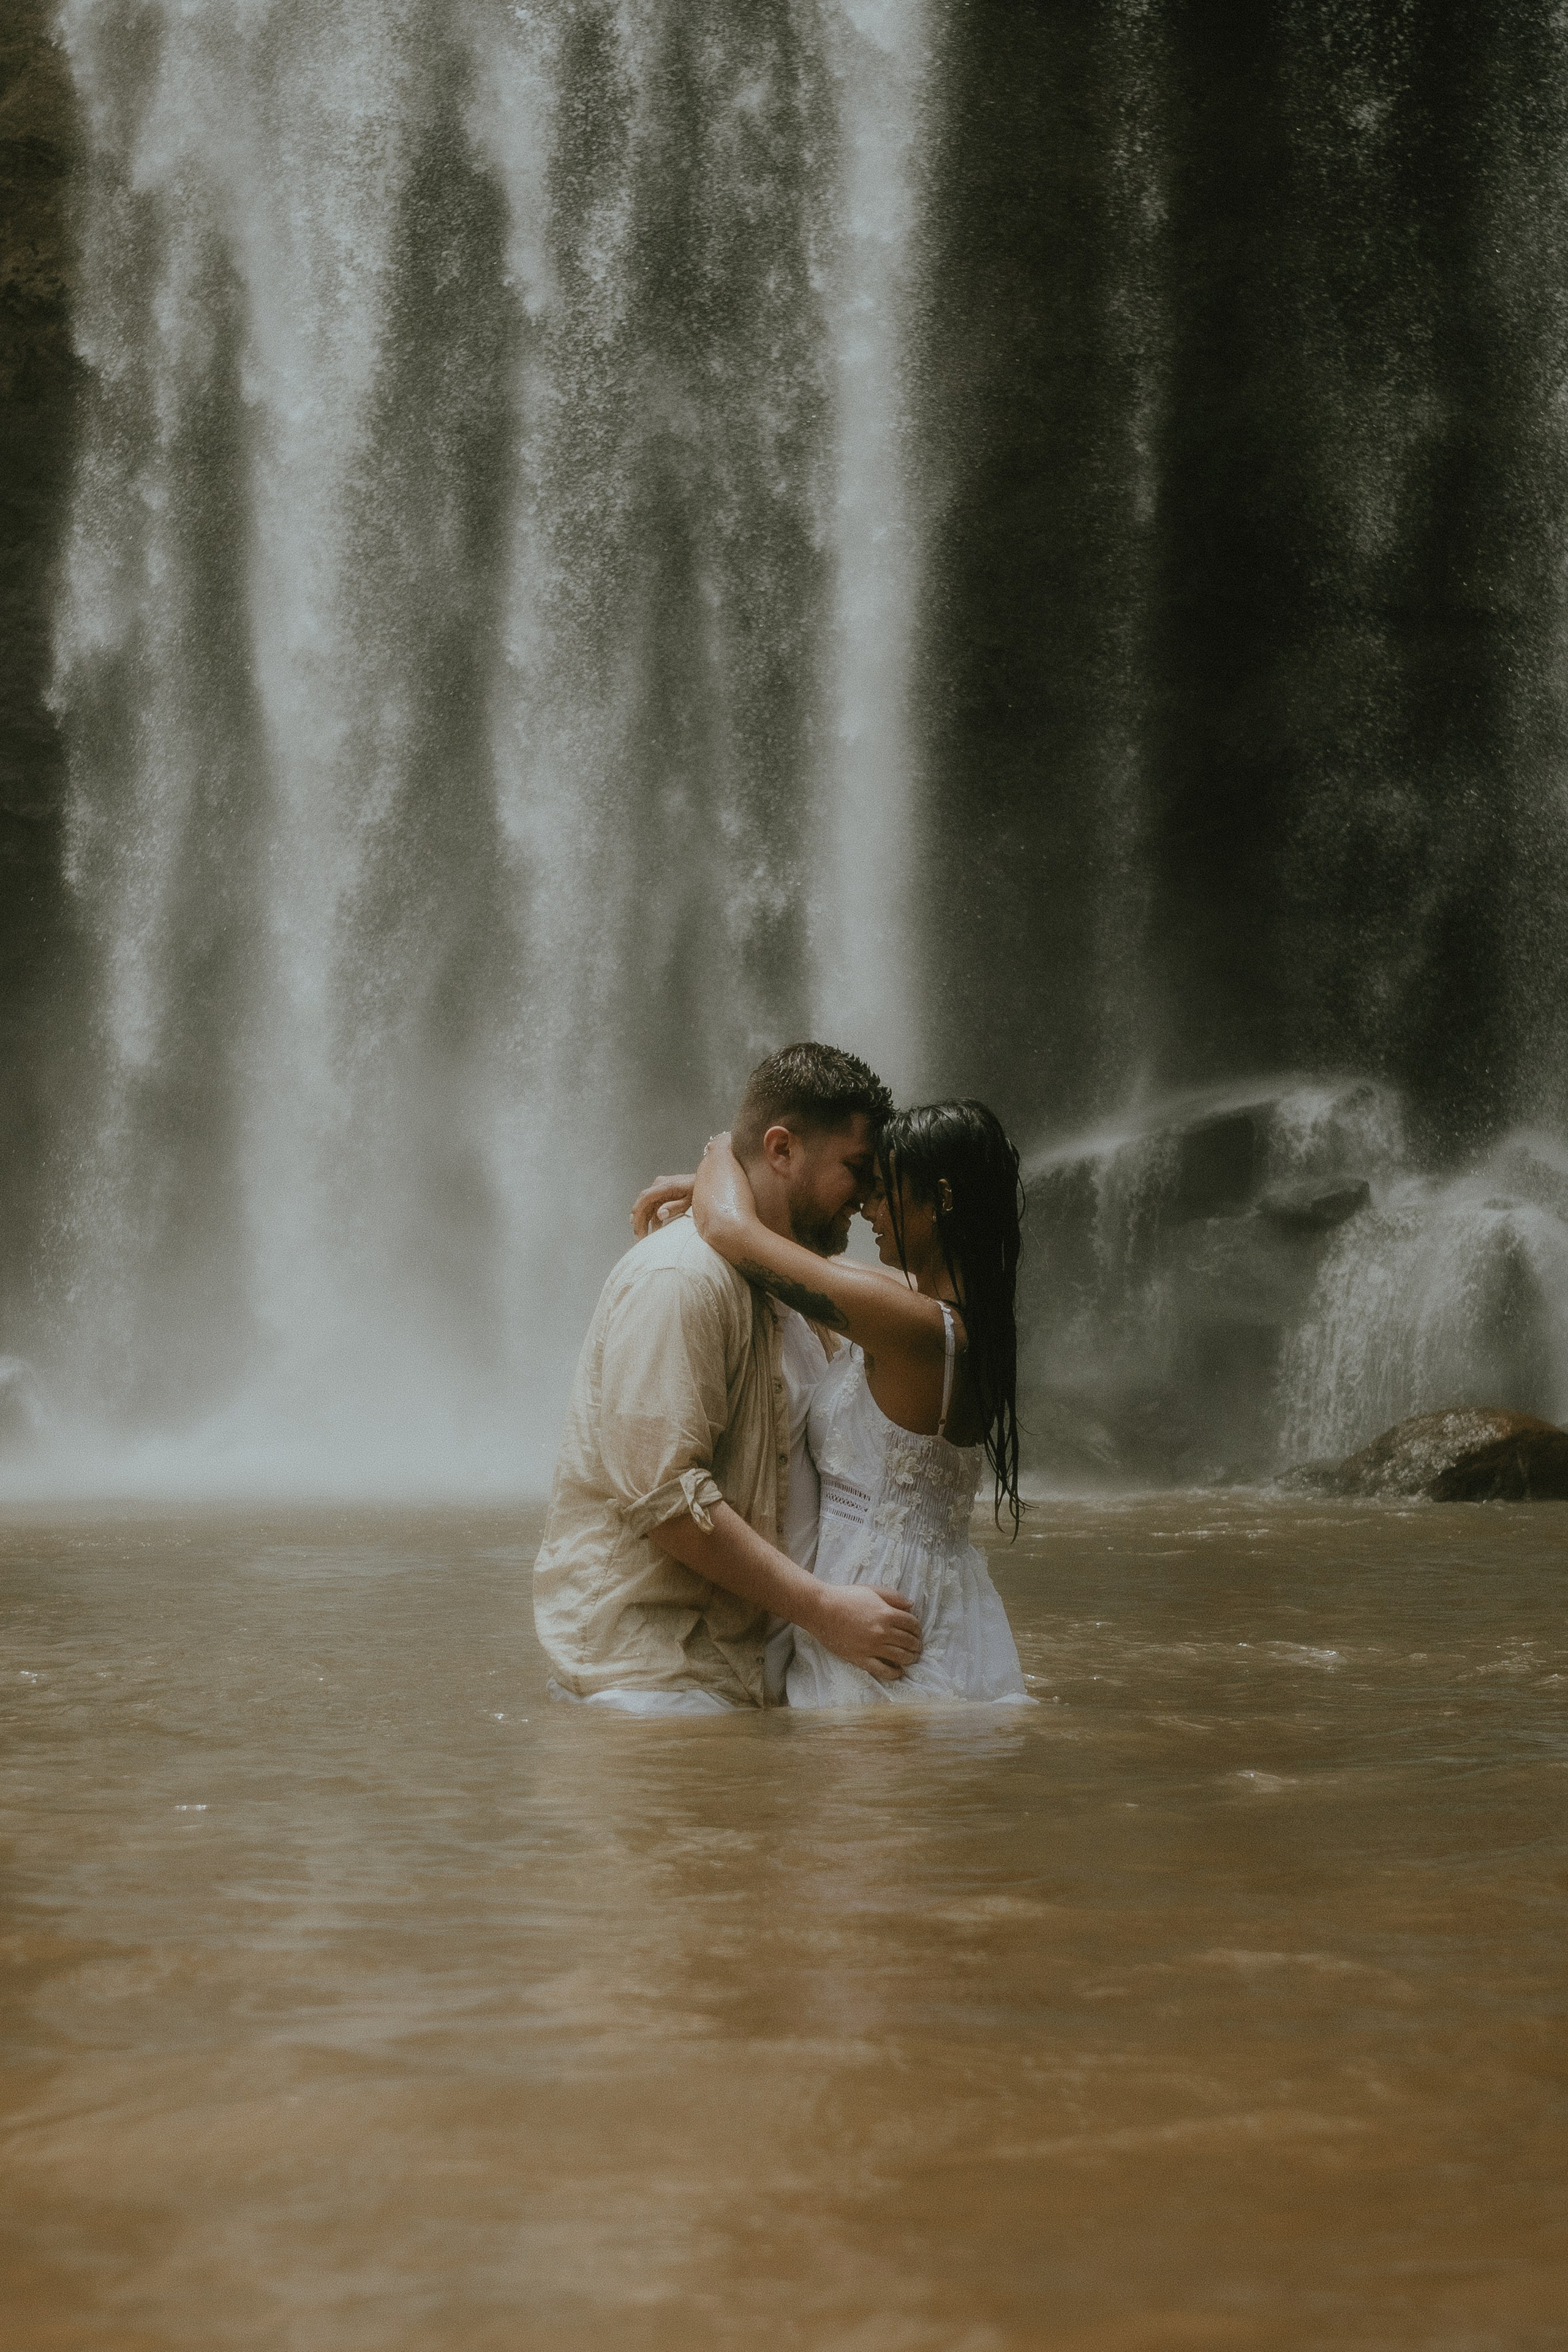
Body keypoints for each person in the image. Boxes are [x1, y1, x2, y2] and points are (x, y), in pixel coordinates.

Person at [532, 1043, 924, 1713]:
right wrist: (824, 1610)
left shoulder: (798, 1290)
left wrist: (720, 1176)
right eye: (856, 1170)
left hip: (753, 1677)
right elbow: (666, 1499)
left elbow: (932, 1311)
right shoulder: (680, 1279)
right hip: (663, 1684)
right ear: (781, 1151)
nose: (865, 1202)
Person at [688, 1100, 1032, 1706]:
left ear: (940, 1200)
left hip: (877, 1614)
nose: (869, 1210)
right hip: (930, 1607)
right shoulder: (954, 1320)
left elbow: (732, 1233)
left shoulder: (909, 1325)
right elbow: (796, 1254)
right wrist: (711, 1190)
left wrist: (724, 1150)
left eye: (884, 1191)